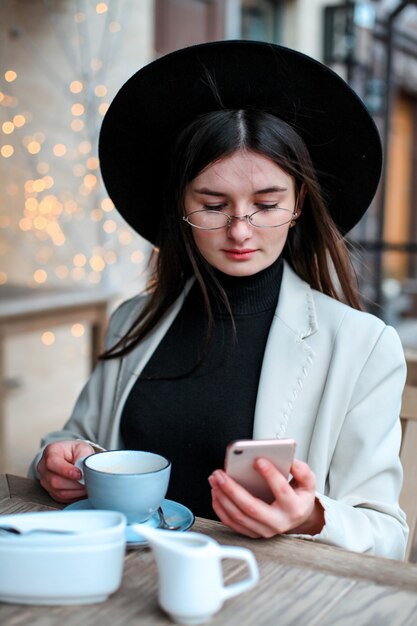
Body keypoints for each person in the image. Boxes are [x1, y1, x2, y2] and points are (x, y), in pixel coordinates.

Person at [29, 41, 408, 559]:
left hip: (266, 595)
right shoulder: (132, 321)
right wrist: (62, 460)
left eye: (267, 204)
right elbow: (81, 439)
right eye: (212, 204)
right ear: (181, 204)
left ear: (299, 203)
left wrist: (310, 514)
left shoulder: (362, 346)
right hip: (119, 580)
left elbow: (387, 533)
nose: (239, 231)